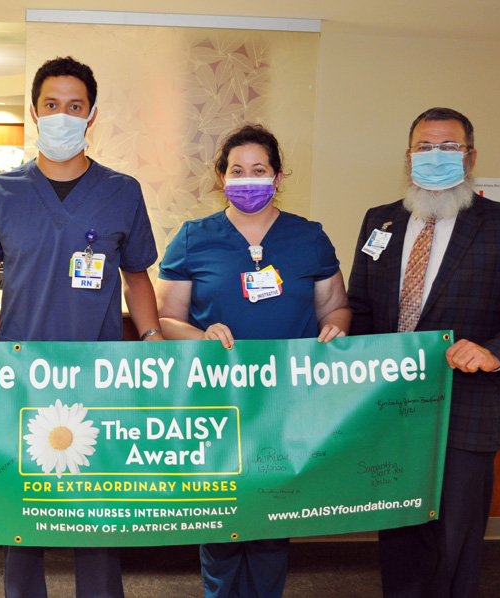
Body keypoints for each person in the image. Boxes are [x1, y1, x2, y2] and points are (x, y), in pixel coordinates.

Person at [0, 56, 164, 598]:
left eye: (75, 106)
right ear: (34, 111)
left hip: (99, 376)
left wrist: (153, 340)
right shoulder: (2, 191)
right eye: (52, 105)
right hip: (21, 374)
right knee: (24, 515)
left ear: (91, 115)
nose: (63, 116)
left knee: (95, 511)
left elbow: (137, 278)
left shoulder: (122, 191)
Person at [347, 107, 500, 598]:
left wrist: (495, 352)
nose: (436, 156)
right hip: (390, 410)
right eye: (425, 147)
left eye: (449, 147)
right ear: (408, 157)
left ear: (470, 156)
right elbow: (360, 308)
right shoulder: (378, 222)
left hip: (466, 410)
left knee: (455, 544)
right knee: (399, 537)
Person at [155, 124, 351, 598]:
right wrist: (202, 335)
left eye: (259, 170)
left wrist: (338, 329)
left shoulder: (310, 237)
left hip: (287, 403)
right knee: (220, 518)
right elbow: (165, 319)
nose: (248, 179)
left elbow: (336, 308)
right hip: (217, 403)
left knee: (271, 518)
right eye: (237, 171)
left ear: (279, 176)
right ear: (221, 177)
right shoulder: (193, 238)